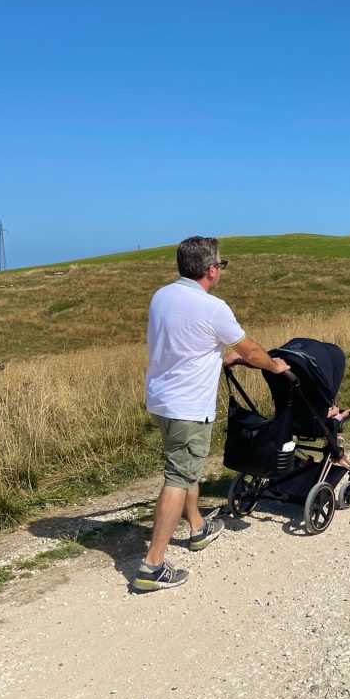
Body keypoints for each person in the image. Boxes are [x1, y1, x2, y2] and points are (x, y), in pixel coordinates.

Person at [133, 236, 289, 592]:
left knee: (185, 468)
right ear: (211, 269)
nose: (221, 269)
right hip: (189, 406)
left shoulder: (162, 296)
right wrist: (275, 368)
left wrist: (219, 357)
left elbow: (184, 344)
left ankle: (198, 528)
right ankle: (152, 565)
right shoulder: (213, 307)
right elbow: (250, 350)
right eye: (221, 264)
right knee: (178, 476)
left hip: (161, 400)